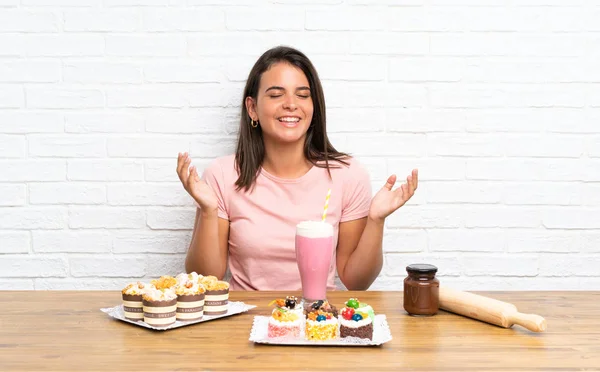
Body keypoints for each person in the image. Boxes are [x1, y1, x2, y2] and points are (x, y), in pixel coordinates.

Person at [176, 46, 418, 291]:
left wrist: (376, 221)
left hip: (317, 322)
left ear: (314, 108)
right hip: (245, 323)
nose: (291, 104)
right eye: (275, 95)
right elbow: (206, 278)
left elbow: (357, 281)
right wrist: (208, 211)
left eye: (302, 95)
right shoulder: (222, 174)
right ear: (252, 108)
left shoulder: (348, 175)